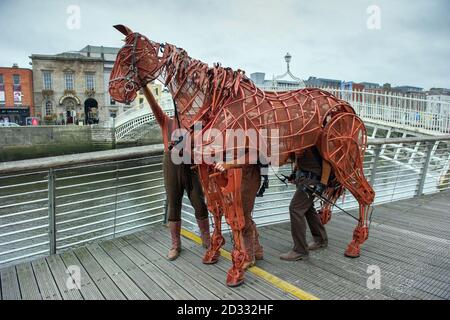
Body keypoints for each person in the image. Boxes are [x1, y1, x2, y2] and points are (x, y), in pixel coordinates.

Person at [143, 86, 211, 261]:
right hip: (171, 166)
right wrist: (144, 87)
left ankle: (206, 238)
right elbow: (153, 105)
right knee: (174, 204)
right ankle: (175, 244)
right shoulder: (166, 121)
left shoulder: (194, 125)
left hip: (190, 164)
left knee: (199, 201)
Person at [280, 147, 328, 261]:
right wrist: (294, 172)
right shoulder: (300, 135)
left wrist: (322, 184)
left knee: (295, 209)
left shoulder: (315, 134)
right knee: (307, 208)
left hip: (313, 180)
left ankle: (300, 250)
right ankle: (320, 239)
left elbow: (328, 161)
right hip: (303, 177)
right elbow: (298, 158)